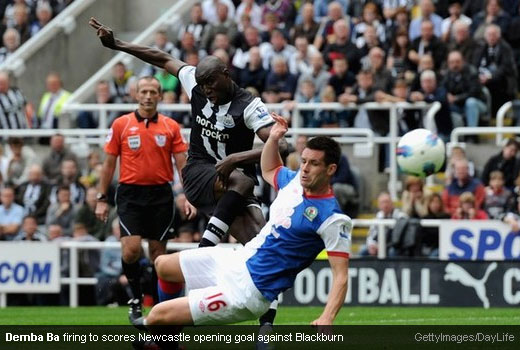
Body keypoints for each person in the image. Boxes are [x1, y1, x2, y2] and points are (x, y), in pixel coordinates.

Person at [90, 17, 285, 326]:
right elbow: (161, 56)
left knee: (259, 242)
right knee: (243, 178)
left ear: (226, 74)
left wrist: (236, 157)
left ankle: (265, 325)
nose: (206, 90)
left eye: (212, 84)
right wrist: (117, 44)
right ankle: (205, 247)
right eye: (203, 84)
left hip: (231, 188)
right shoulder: (194, 80)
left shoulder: (248, 105)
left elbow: (281, 147)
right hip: (198, 172)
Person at [133, 119, 351, 334]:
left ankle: (161, 337)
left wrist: (327, 317)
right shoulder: (294, 182)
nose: (305, 169)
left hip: (248, 292)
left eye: (314, 164)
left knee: (157, 316)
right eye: (303, 161)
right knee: (162, 265)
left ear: (331, 169)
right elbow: (270, 168)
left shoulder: (332, 219)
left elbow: (340, 276)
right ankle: (167, 339)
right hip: (237, 259)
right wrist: (273, 138)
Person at [94, 75, 193, 322]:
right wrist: (101, 197)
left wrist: (189, 195)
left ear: (160, 96)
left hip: (161, 195)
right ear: (135, 95)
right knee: (131, 250)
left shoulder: (171, 126)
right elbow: (108, 164)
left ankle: (160, 307)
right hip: (130, 194)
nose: (148, 96)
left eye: (153, 92)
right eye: (144, 92)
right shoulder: (121, 125)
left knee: (159, 258)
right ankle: (136, 300)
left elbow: (183, 164)